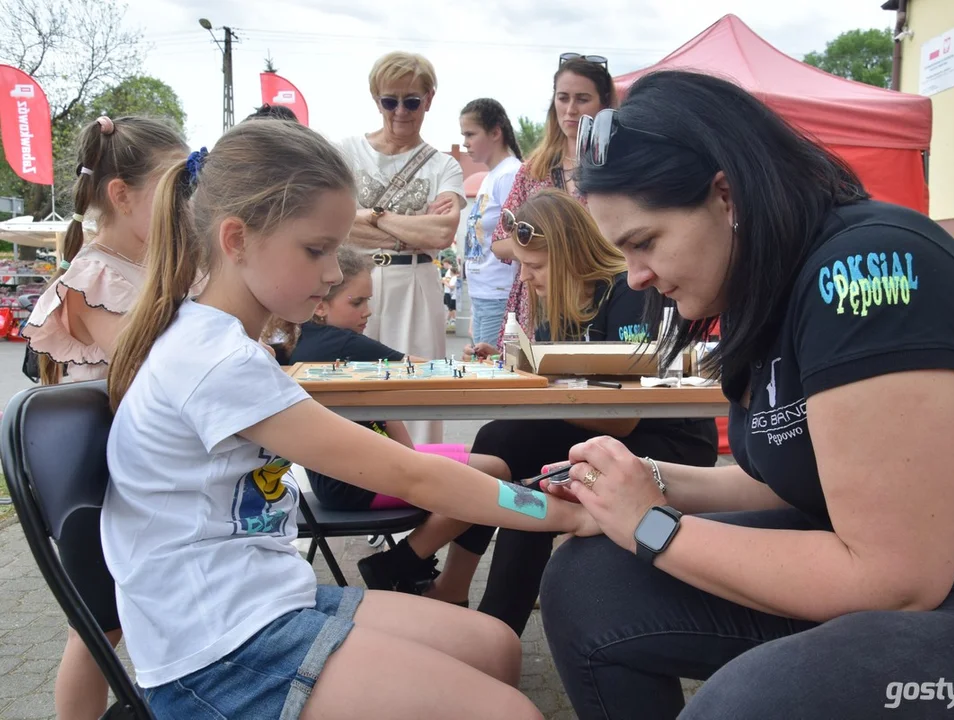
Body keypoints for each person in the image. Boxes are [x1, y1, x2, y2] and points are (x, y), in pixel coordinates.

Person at [538, 70, 954, 720]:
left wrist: (652, 526)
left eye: (644, 242)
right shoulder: (763, 284)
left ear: (725, 195)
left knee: (750, 704)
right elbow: (803, 480)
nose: (638, 276)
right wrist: (641, 484)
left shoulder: (867, 273)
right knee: (589, 582)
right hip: (908, 571)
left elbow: (895, 577)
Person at [101, 119, 594, 720]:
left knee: (493, 646)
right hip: (216, 651)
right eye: (317, 250)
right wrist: (556, 513)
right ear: (236, 240)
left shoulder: (216, 341)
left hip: (261, 601)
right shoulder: (217, 362)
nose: (335, 273)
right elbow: (417, 478)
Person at [370, 189, 717, 620]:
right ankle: (464, 599)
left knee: (523, 459)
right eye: (520, 266)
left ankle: (457, 592)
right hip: (609, 433)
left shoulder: (629, 294)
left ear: (571, 255)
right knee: (517, 454)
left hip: (671, 440)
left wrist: (523, 378)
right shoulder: (563, 299)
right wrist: (508, 365)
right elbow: (562, 386)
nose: (525, 279)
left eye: (534, 266)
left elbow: (623, 417)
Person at [21, 115, 186, 720]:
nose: (186, 203)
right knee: (96, 633)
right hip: (98, 481)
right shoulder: (94, 276)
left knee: (130, 622)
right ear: (122, 195)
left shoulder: (150, 268)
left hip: (140, 470)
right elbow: (155, 367)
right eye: (176, 188)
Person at [267, 245, 511, 600]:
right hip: (356, 482)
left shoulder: (302, 339)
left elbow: (388, 402)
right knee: (496, 472)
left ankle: (429, 575)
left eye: (369, 300)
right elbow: (430, 372)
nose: (368, 311)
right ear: (321, 304)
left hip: (348, 475)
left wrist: (413, 458)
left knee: (488, 457)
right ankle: (402, 562)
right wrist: (486, 363)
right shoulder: (342, 343)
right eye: (357, 302)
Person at [339, 51, 465, 444]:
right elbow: (335, 223)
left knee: (420, 384)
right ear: (376, 99)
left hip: (416, 281)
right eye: (389, 100)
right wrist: (411, 227)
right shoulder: (345, 152)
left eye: (411, 101)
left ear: (428, 99)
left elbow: (442, 234)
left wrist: (371, 217)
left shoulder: (444, 166)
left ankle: (425, 474)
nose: (400, 111)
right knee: (348, 382)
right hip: (349, 282)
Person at [494, 54, 616, 352]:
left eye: (582, 99)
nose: (571, 109)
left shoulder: (616, 167)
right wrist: (544, 245)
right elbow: (499, 242)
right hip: (539, 294)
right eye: (563, 98)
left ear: (603, 104)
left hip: (592, 298)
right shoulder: (533, 168)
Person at [459, 98, 523, 346]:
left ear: (495, 132)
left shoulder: (509, 174)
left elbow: (516, 236)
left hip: (499, 292)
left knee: (490, 372)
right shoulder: (491, 176)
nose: (465, 143)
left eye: (471, 134)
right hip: (483, 292)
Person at [442, 258, 459, 330]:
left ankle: (453, 320)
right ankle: (447, 321)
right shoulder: (450, 271)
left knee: (451, 308)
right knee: (450, 308)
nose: (443, 266)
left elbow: (449, 282)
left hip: (449, 292)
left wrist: (444, 281)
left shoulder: (450, 271)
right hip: (449, 292)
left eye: (443, 264)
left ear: (446, 263)